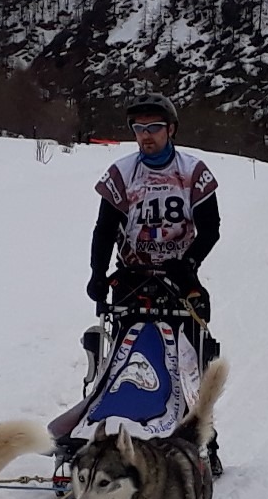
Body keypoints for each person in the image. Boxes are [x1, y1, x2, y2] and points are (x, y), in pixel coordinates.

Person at [85, 92, 222, 471]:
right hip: (132, 278)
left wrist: (188, 263)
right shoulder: (121, 174)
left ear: (171, 129)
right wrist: (97, 274)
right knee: (125, 357)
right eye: (139, 128)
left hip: (179, 277)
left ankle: (202, 436)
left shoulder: (192, 172)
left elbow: (210, 228)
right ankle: (114, 424)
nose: (146, 136)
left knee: (189, 359)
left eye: (154, 128)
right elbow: (104, 228)